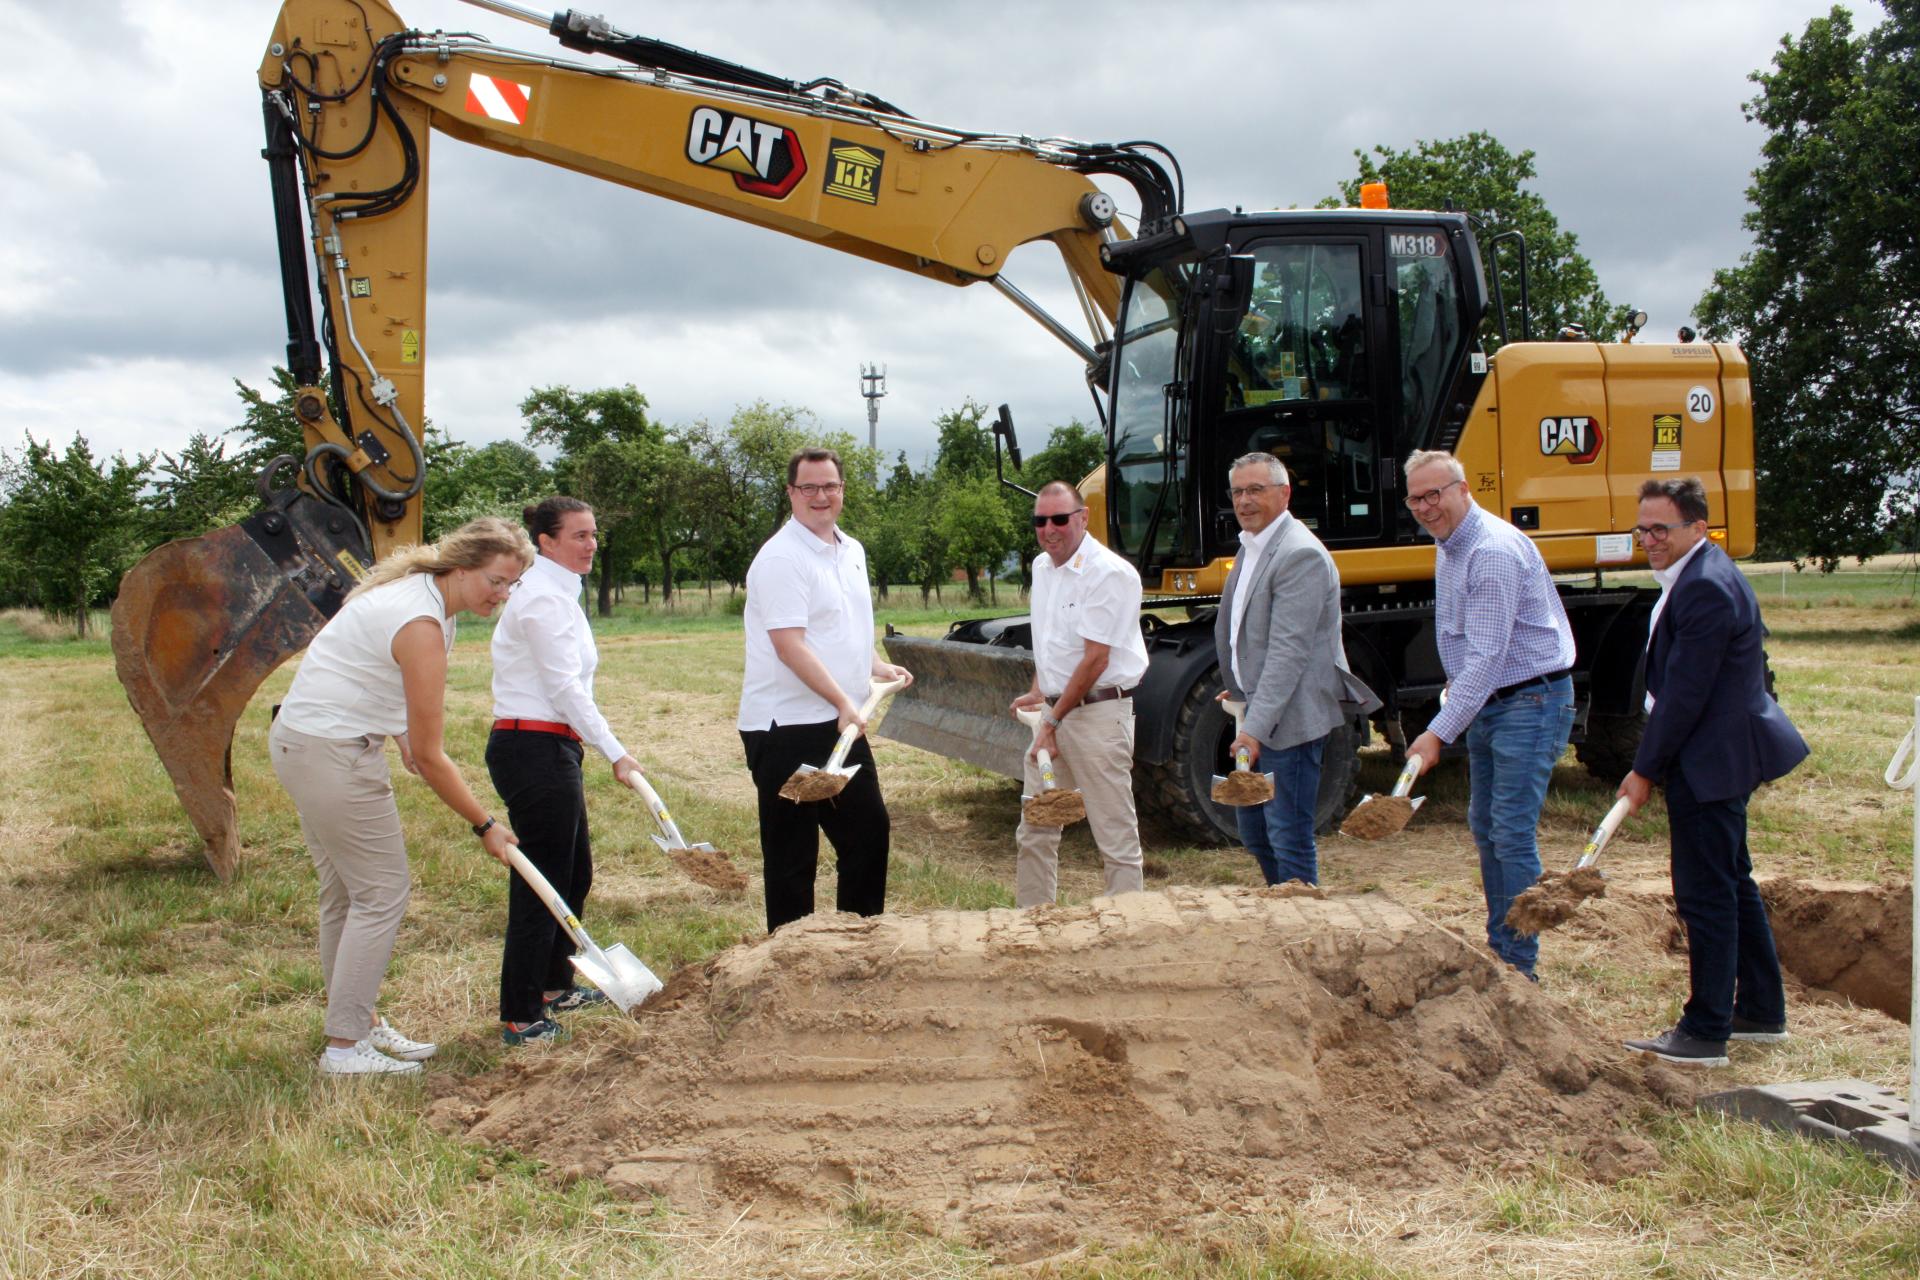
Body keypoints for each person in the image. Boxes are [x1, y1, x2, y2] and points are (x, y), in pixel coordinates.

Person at [269, 517, 531, 1076]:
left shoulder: (428, 602)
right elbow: (433, 758)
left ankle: (355, 1024)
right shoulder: (420, 622)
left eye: (513, 585)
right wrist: (486, 824)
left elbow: (367, 673)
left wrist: (401, 732)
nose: (503, 595)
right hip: (331, 753)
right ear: (460, 569)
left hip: (306, 742)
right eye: (496, 580)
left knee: (345, 894)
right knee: (382, 893)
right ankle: (344, 1048)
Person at [1619, 477, 1809, 1066]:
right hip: (1718, 755)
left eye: (1661, 529)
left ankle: (1705, 1031)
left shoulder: (1704, 587)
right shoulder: (1700, 574)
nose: (1649, 539)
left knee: (1706, 894)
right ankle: (1760, 1010)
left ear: (1698, 528)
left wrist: (1643, 770)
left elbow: (1686, 696)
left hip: (1711, 759)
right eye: (1642, 528)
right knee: (1732, 881)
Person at [1403, 449, 1576, 980]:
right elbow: (1467, 644)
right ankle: (1501, 947)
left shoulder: (1491, 550)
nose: (1428, 507)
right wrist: (1457, 697)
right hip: (1492, 702)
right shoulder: (1450, 546)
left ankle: (1519, 964)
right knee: (1486, 825)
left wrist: (1436, 733)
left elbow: (1490, 654)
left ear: (1463, 490)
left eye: (1436, 494)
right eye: (1416, 498)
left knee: (1510, 829)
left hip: (1531, 699)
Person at [488, 497, 643, 1046]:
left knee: (574, 874)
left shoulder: (561, 594)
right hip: (531, 746)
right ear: (546, 543)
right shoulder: (543, 602)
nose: (591, 544)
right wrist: (615, 751)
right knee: (542, 885)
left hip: (553, 747)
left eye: (594, 534)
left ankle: (555, 983)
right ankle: (521, 1013)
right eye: (579, 535)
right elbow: (564, 688)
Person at [737, 447, 912, 932]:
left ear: (842, 490)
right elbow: (789, 646)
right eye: (808, 487)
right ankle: (791, 961)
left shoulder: (851, 549)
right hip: (786, 728)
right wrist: (842, 700)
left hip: (838, 724)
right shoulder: (781, 559)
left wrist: (875, 666)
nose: (820, 496)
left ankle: (854, 942)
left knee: (868, 834)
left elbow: (842, 629)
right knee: (792, 855)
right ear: (792, 493)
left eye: (829, 486)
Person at [1214, 453, 1378, 885]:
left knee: (1287, 833)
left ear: (1284, 493)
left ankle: (1306, 923)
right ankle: (1281, 909)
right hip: (1260, 712)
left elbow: (1289, 652)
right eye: (1237, 491)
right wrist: (1240, 690)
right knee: (1256, 832)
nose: (1245, 501)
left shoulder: (1299, 553)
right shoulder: (1252, 546)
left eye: (1256, 490)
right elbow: (1246, 635)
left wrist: (1254, 726)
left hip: (1291, 721)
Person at [1009, 481, 1150, 907]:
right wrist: (1040, 691)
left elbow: (1095, 661)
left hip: (1098, 718)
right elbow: (1051, 643)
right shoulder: (1041, 568)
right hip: (1055, 715)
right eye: (1040, 520)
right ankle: (1032, 925)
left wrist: (1051, 722)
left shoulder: (1109, 574)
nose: (1049, 529)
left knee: (1113, 831)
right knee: (1035, 827)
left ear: (1083, 517)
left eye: (1059, 519)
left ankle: (1127, 928)